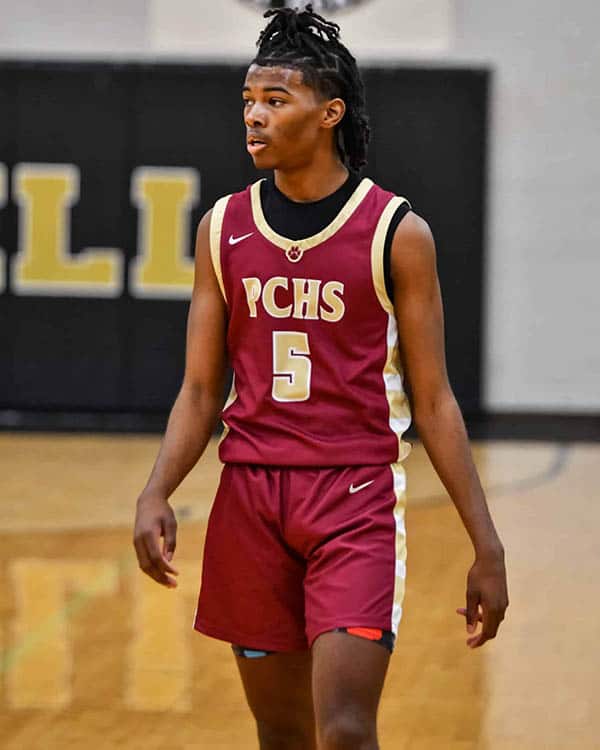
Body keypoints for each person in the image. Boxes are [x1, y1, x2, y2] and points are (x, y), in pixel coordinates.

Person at [133, 5, 509, 749]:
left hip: (354, 496)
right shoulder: (222, 227)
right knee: (281, 731)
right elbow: (201, 391)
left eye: (276, 100)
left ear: (329, 112)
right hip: (251, 500)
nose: (255, 117)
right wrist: (157, 488)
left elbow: (432, 400)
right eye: (248, 101)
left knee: (343, 730)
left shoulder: (397, 233)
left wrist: (486, 545)